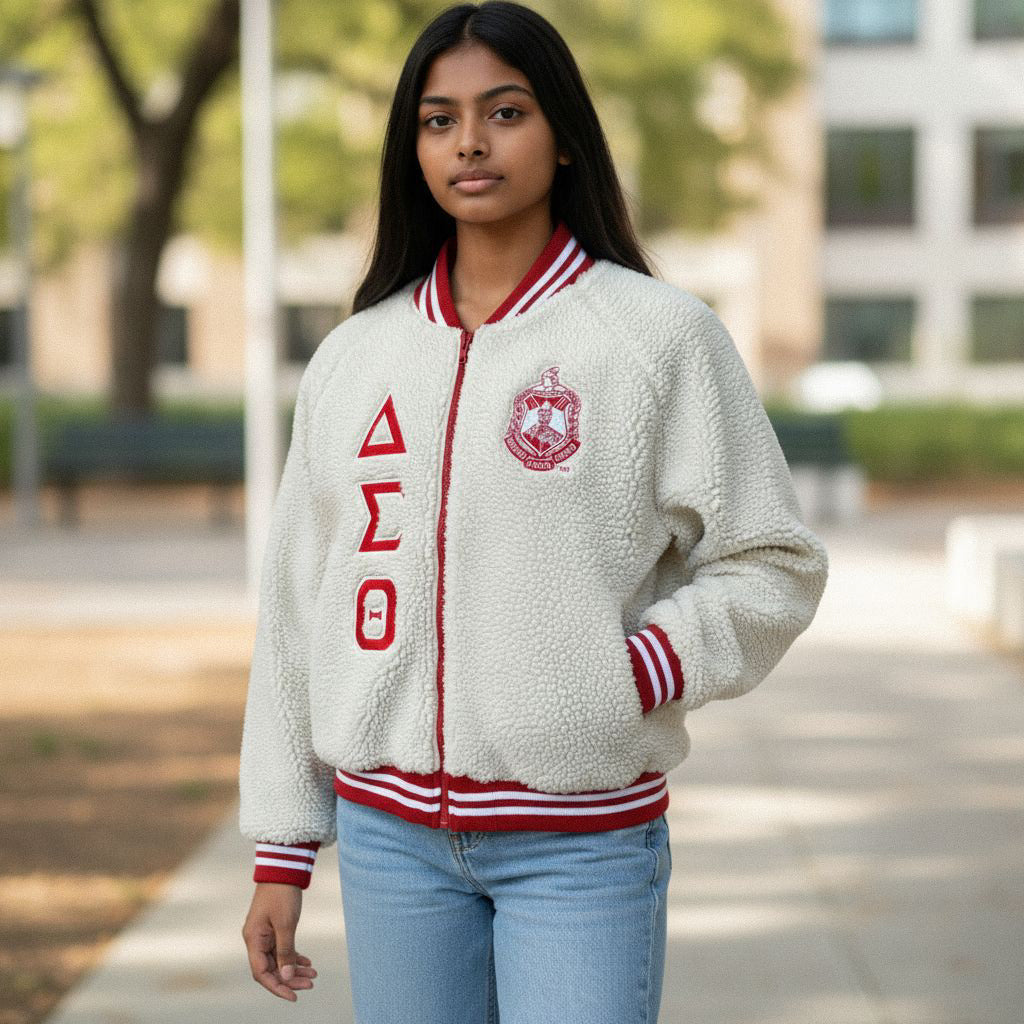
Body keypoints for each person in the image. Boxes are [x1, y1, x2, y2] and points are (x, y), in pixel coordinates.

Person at [239, 3, 830, 1022]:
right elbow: (300, 610)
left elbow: (772, 558)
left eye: (503, 111)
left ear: (562, 136)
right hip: (391, 847)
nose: (468, 141)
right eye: (438, 119)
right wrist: (283, 844)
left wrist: (622, 674)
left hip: (580, 842)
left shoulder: (656, 338)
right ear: (412, 146)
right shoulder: (355, 358)